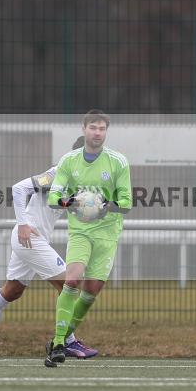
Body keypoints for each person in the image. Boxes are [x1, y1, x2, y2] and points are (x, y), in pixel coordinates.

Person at [0, 136, 99, 363]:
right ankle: (68, 341)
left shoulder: (79, 182)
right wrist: (23, 224)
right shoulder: (56, 173)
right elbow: (19, 189)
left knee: (12, 290)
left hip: (32, 241)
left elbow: (68, 206)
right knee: (68, 284)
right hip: (29, 238)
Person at [45, 110, 132, 367]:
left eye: (102, 129)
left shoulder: (118, 162)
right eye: (93, 127)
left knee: (91, 291)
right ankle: (60, 343)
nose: (97, 133)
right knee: (72, 279)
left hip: (107, 234)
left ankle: (61, 339)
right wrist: (68, 201)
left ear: (106, 132)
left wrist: (107, 205)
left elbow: (127, 202)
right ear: (84, 129)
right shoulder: (69, 161)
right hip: (80, 231)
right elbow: (53, 197)